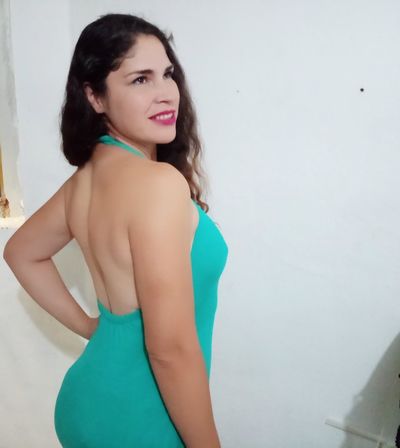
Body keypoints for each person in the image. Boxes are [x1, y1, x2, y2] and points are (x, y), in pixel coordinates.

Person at [2, 12, 229, 448]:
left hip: (86, 403)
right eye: (140, 79)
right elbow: (169, 351)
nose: (166, 93)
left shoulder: (85, 180)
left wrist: (95, 328)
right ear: (95, 97)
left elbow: (21, 252)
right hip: (137, 417)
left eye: (167, 74)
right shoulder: (159, 184)